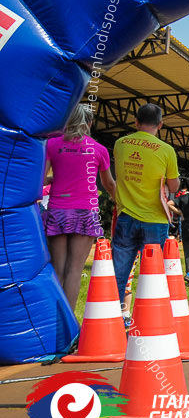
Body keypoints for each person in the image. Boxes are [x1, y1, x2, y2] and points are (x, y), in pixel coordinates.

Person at [43, 104, 117, 312]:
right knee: (75, 270)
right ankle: (68, 326)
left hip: (58, 211)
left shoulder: (52, 145)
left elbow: (40, 180)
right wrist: (117, 201)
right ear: (90, 123)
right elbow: (109, 184)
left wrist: (57, 178)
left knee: (57, 269)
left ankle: (51, 321)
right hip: (86, 211)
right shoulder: (99, 150)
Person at [111, 103, 179, 311]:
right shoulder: (167, 151)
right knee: (152, 274)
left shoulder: (120, 144)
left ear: (136, 121)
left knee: (118, 274)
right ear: (160, 125)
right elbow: (173, 186)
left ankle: (113, 317)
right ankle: (149, 317)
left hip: (126, 218)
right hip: (155, 221)